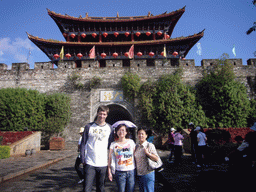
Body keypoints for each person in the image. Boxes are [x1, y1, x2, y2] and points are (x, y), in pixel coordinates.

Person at [80, 105, 114, 192]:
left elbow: (110, 146)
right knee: (87, 189)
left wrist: (110, 163)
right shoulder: (89, 127)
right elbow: (83, 143)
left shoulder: (109, 128)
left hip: (103, 164)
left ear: (106, 115)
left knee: (100, 188)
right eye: (100, 114)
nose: (102, 116)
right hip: (90, 162)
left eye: (104, 114)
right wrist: (83, 159)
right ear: (97, 113)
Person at [108, 124, 136, 192]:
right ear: (116, 132)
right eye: (119, 130)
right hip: (119, 171)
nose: (121, 132)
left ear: (126, 132)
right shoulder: (113, 144)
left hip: (131, 171)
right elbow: (109, 159)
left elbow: (135, 156)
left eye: (123, 130)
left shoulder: (131, 142)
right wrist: (109, 172)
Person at [134, 128, 160, 192]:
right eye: (139, 134)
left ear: (146, 135)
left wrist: (148, 154)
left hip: (148, 173)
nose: (140, 135)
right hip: (139, 174)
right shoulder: (137, 146)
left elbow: (156, 158)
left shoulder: (150, 145)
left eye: (142, 134)